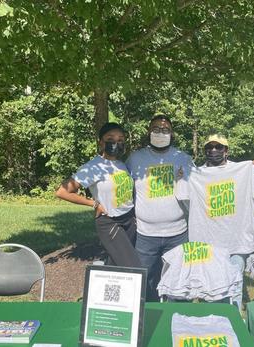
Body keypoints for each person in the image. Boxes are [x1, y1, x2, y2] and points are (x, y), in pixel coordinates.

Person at [177, 134, 254, 309]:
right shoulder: (195, 173)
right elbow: (185, 200)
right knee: (208, 282)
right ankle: (210, 315)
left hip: (237, 240)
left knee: (234, 280)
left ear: (226, 151)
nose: (213, 150)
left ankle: (233, 316)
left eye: (218, 147)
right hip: (207, 241)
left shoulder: (243, 170)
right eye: (209, 147)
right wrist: (182, 177)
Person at [126, 114, 193, 301]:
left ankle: (175, 316)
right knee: (144, 282)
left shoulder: (184, 158)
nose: (160, 133)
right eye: (156, 129)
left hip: (178, 233)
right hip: (145, 235)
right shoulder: (135, 159)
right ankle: (148, 317)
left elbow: (202, 185)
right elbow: (120, 188)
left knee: (178, 282)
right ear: (148, 132)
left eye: (165, 130)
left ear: (172, 134)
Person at [56, 122, 141, 267]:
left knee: (115, 264)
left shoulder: (121, 164)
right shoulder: (93, 167)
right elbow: (62, 192)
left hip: (129, 219)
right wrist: (93, 203)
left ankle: (101, 288)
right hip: (110, 221)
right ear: (101, 143)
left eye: (120, 139)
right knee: (133, 266)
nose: (116, 142)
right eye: (110, 139)